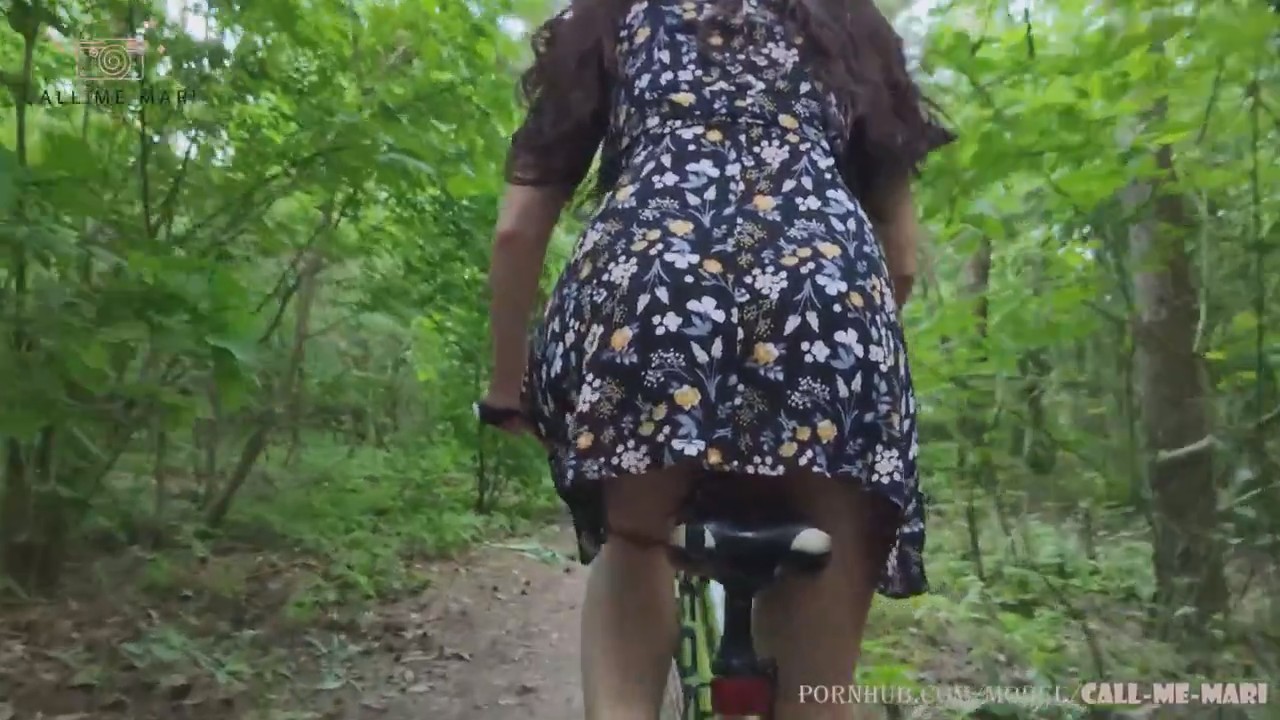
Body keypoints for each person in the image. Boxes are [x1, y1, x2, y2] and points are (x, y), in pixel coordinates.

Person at [479, 0, 953, 716]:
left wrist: (505, 386)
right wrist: (841, 355)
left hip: (649, 299)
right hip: (825, 302)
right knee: (827, 619)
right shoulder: (849, 22)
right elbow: (904, 261)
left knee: (636, 541)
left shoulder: (611, 16)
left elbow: (517, 232)